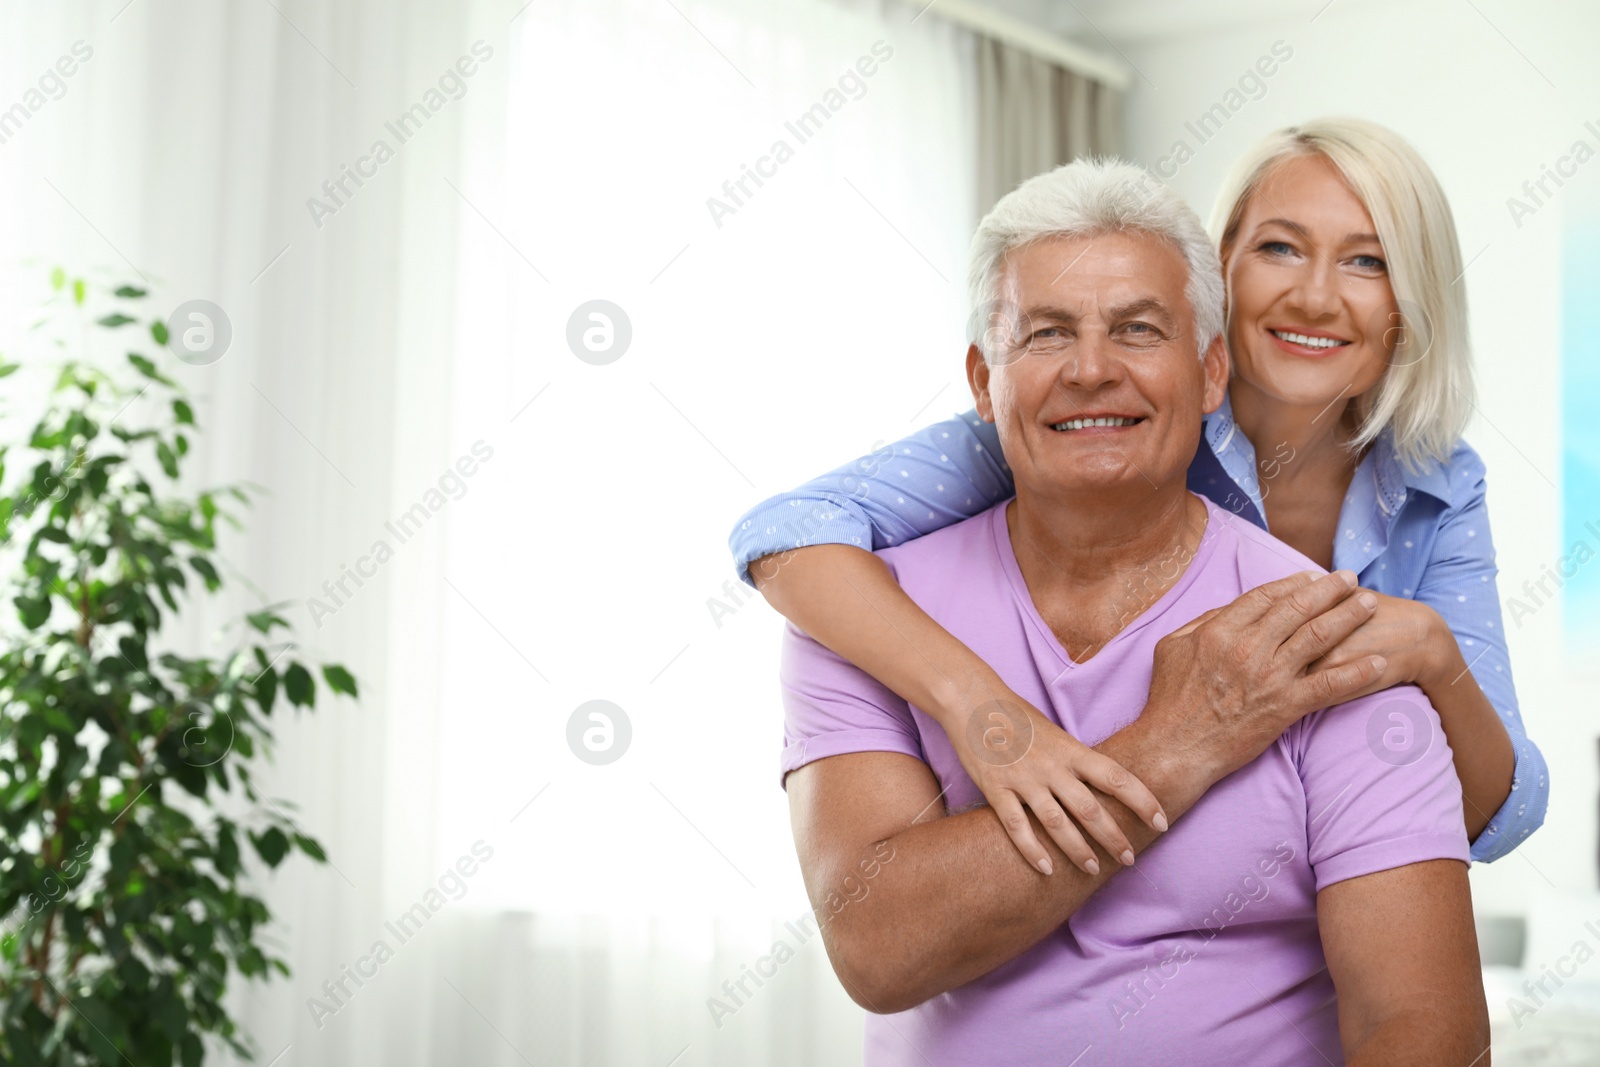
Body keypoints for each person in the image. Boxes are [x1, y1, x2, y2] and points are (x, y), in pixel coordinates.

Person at [780, 157, 1487, 1064]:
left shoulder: (1324, 640)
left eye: (1137, 329)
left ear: (1209, 372)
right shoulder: (866, 618)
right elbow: (878, 949)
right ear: (983, 382)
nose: (1090, 369)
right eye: (1044, 334)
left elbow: (1424, 1026)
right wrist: (1179, 740)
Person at [737, 118, 1546, 878]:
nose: (1315, 296)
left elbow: (1495, 818)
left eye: (1368, 261)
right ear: (1222, 270)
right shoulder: (1102, 424)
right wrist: (979, 706)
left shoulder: (1438, 484)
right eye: (1279, 248)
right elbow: (787, 531)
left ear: (1414, 302)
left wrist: (1438, 658)